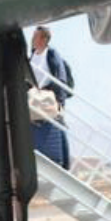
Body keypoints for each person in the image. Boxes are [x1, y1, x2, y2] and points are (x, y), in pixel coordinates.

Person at [28, 25, 74, 170]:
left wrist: (60, 102)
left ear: (44, 39)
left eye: (36, 37)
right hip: (36, 98)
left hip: (49, 98)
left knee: (56, 127)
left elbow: (60, 78)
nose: (33, 40)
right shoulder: (33, 54)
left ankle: (63, 164)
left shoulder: (51, 54)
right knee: (37, 129)